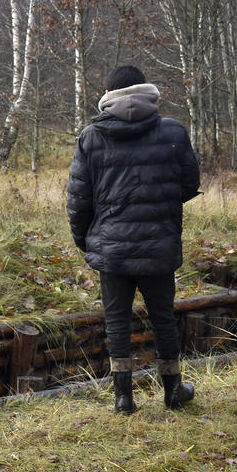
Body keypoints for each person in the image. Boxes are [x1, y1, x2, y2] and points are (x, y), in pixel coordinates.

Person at [66, 65, 201, 414]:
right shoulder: (173, 132)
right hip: (159, 244)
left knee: (117, 322)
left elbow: (79, 200)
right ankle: (173, 392)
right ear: (145, 90)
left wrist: (85, 240)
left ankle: (123, 398)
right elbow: (187, 184)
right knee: (163, 319)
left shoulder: (90, 137)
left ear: (108, 95)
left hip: (111, 248)